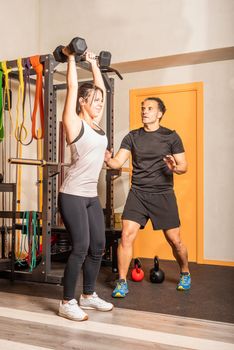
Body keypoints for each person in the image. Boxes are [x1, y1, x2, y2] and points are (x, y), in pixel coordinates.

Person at [104, 97, 191, 298]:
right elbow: (118, 161)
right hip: (138, 194)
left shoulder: (171, 137)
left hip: (163, 194)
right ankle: (122, 282)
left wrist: (174, 168)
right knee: (126, 235)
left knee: (175, 240)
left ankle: (185, 272)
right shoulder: (132, 137)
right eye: (143, 108)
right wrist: (109, 160)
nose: (145, 111)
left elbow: (184, 166)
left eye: (150, 108)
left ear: (160, 113)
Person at [58, 48, 113, 321]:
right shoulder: (74, 122)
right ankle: (67, 301)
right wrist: (71, 59)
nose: (100, 103)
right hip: (72, 195)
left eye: (101, 101)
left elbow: (101, 88)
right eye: (94, 100)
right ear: (82, 102)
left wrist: (93, 65)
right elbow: (72, 86)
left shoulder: (97, 124)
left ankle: (88, 295)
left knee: (98, 246)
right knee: (80, 246)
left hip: (91, 196)